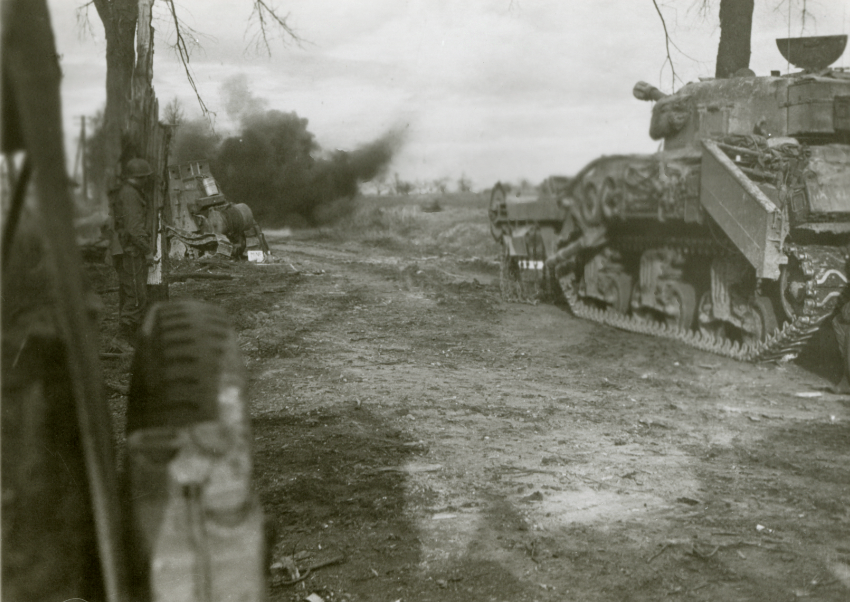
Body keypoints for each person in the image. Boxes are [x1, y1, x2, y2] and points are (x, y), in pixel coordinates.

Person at [109, 157, 154, 351]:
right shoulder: (130, 194)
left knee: (130, 292)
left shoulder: (128, 192)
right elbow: (134, 228)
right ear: (141, 177)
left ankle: (129, 338)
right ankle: (121, 339)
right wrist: (148, 250)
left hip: (126, 250)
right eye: (145, 177)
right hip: (131, 251)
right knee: (136, 296)